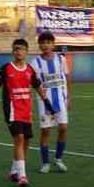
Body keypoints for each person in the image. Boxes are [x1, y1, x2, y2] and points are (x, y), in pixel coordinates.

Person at [0, 38, 46, 187]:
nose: (18, 52)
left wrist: (48, 105)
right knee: (19, 138)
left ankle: (14, 171)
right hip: (12, 110)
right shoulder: (6, 69)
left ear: (26, 52)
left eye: (21, 49)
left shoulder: (30, 70)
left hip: (26, 111)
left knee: (26, 141)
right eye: (15, 49)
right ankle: (22, 176)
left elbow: (38, 87)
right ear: (12, 52)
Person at [31, 31, 71, 173]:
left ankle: (58, 159)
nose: (46, 45)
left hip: (61, 99)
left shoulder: (61, 59)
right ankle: (45, 163)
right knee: (46, 131)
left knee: (63, 128)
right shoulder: (35, 63)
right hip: (44, 101)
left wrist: (69, 97)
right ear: (39, 45)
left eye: (48, 42)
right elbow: (34, 83)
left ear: (53, 44)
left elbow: (67, 77)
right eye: (43, 43)